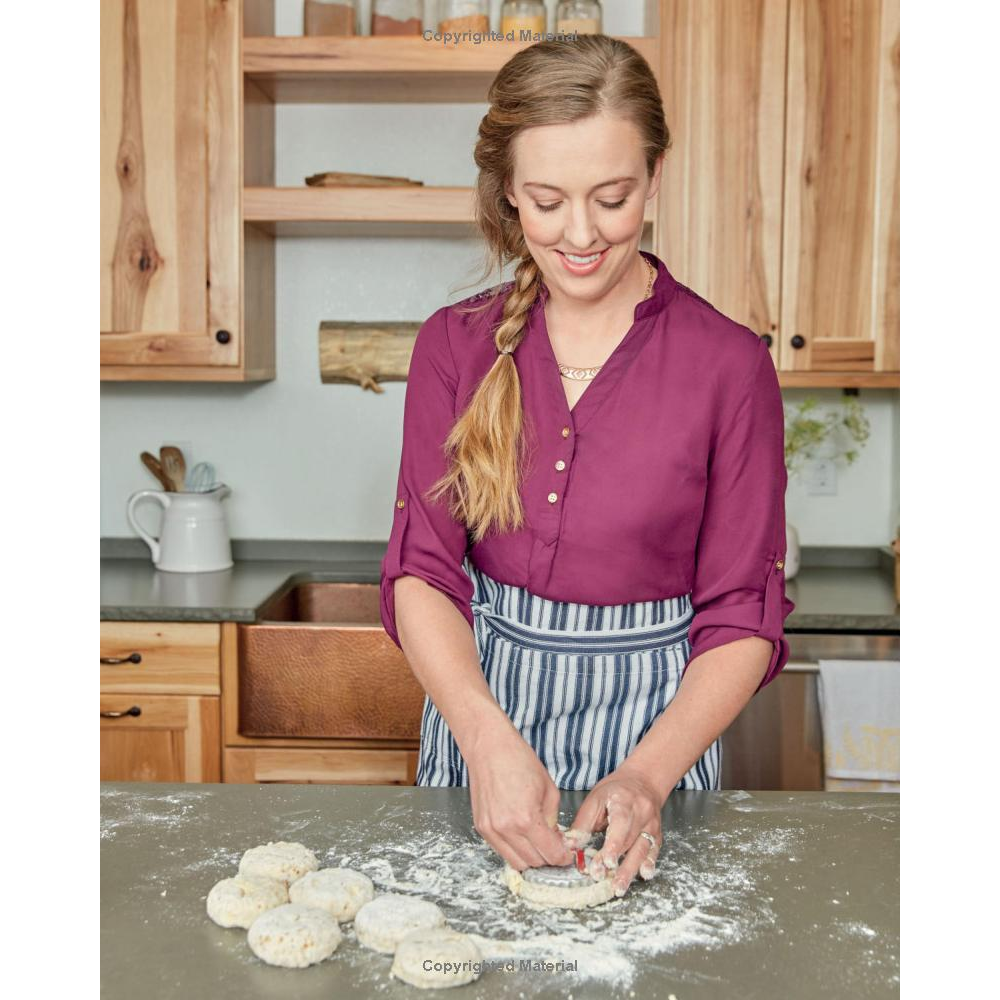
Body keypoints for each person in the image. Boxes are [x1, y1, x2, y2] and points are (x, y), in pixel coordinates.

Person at [379, 35, 794, 899]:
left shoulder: (729, 366)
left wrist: (647, 777)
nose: (580, 235)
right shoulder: (454, 346)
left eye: (612, 198)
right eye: (546, 200)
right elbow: (421, 571)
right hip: (482, 724)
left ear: (655, 175)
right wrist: (484, 741)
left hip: (660, 736)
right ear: (507, 192)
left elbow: (741, 616)